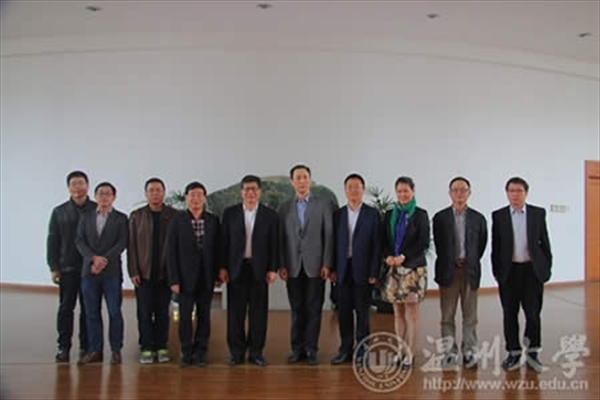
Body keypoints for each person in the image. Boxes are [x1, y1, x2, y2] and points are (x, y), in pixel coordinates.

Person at [492, 177, 552, 372]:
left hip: (532, 272)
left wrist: (546, 268)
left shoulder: (537, 213)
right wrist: (498, 273)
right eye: (511, 191)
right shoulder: (499, 215)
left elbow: (545, 243)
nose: (515, 195)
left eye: (519, 191)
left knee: (533, 315)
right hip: (509, 273)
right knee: (509, 314)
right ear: (506, 193)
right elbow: (496, 246)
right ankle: (513, 353)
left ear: (526, 193)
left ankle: (533, 354)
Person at [219, 175, 279, 367]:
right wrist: (222, 267)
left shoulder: (270, 215)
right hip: (236, 269)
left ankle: (256, 352)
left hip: (259, 270)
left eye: (254, 189)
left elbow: (274, 245)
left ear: (260, 192)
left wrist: (273, 269)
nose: (250, 193)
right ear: (241, 192)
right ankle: (236, 353)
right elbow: (224, 243)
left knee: (258, 314)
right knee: (235, 314)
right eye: (246, 189)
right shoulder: (230, 213)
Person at [278, 164, 334, 366]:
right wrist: (282, 264)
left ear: (310, 180)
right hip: (292, 266)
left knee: (314, 309)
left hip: (316, 266)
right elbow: (281, 238)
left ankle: (311, 349)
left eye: (305, 177)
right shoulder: (284, 207)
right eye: (298, 178)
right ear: (292, 182)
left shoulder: (323, 205)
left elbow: (329, 235)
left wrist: (327, 263)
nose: (302, 181)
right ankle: (297, 349)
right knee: (297, 309)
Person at [433, 176, 487, 369]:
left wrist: (469, 260)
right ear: (450, 193)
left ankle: (469, 351)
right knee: (447, 316)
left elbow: (481, 245)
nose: (459, 194)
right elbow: (439, 245)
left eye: (463, 190)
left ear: (469, 193)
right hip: (448, 271)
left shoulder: (478, 218)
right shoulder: (440, 218)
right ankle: (449, 353)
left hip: (470, 271)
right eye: (455, 190)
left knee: (470, 316)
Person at [166, 182, 220, 367]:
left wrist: (218, 275)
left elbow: (219, 249)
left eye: (199, 195)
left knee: (205, 316)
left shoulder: (213, 220)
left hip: (206, 277)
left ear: (204, 198)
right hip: (184, 278)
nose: (196, 198)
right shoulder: (177, 220)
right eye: (192, 195)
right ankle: (186, 350)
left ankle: (201, 351)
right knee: (185, 316)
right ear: (186, 198)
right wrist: (173, 279)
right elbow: (170, 252)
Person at [330, 173, 381, 364]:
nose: (353, 190)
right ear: (345, 190)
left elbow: (377, 246)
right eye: (350, 187)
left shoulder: (372, 214)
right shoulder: (338, 215)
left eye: (357, 187)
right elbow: (333, 245)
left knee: (362, 312)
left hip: (364, 271)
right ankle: (345, 349)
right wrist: (333, 269)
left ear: (363, 190)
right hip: (342, 270)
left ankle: (362, 350)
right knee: (343, 312)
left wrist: (374, 272)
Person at [46, 170, 97, 363]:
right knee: (66, 308)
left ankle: (86, 346)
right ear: (68, 187)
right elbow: (52, 241)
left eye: (81, 183)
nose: (78, 187)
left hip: (90, 268)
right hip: (67, 267)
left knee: (88, 308)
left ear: (87, 186)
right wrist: (53, 267)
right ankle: (63, 347)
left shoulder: (96, 209)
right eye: (74, 184)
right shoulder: (59, 211)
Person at [76, 182, 128, 364]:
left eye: (108, 194)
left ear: (114, 197)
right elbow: (79, 240)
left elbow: (122, 242)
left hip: (111, 272)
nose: (104, 197)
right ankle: (95, 350)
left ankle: (116, 349)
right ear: (95, 196)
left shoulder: (121, 218)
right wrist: (93, 258)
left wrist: (103, 260)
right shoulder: (86, 217)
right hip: (89, 271)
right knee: (91, 312)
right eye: (100, 193)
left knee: (114, 311)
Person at [128, 178, 178, 364]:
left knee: (163, 313)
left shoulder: (174, 215)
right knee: (144, 313)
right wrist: (133, 270)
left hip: (165, 273)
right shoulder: (137, 216)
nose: (155, 193)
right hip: (143, 274)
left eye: (158, 190)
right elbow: (131, 246)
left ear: (164, 193)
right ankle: (146, 347)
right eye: (151, 190)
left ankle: (162, 346)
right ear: (146, 193)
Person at [382, 176, 430, 370]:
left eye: (406, 191)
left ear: (413, 191)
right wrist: (387, 256)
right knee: (397, 312)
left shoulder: (420, 214)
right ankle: (400, 349)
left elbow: (423, 242)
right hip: (393, 268)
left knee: (412, 312)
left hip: (413, 268)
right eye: (399, 191)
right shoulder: (389, 214)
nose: (403, 194)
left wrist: (404, 256)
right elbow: (384, 240)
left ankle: (410, 352)